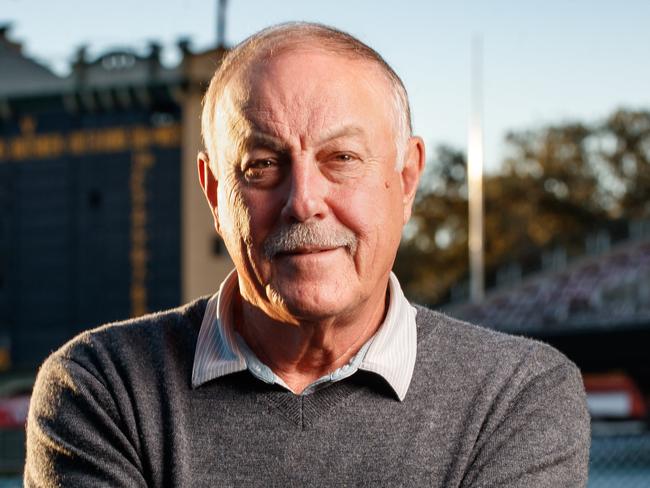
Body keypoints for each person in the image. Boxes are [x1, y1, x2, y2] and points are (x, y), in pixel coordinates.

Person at [24, 23, 590, 487]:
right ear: (217, 193)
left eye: (341, 158)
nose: (304, 203)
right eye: (263, 165)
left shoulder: (518, 395)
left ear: (408, 177)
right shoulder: (99, 388)